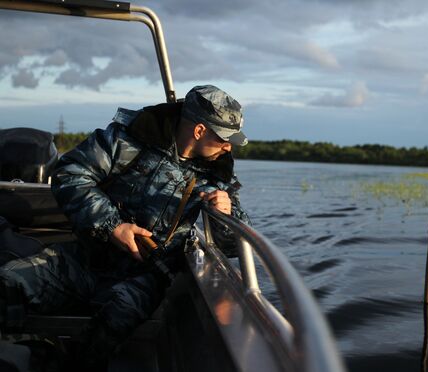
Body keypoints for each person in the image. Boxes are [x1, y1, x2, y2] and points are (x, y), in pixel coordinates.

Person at [0, 85, 251, 368]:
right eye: (224, 139)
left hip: (143, 277)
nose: (229, 147)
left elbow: (233, 246)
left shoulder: (219, 175)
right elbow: (70, 175)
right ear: (199, 131)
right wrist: (113, 227)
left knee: (119, 313)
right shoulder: (127, 139)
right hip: (85, 259)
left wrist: (224, 214)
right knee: (8, 283)